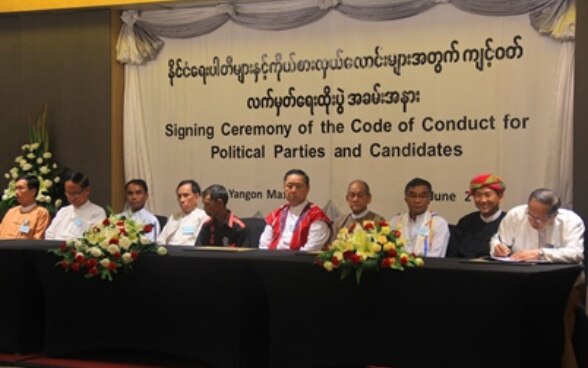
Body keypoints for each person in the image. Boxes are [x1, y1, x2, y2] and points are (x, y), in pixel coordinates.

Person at [490, 188, 584, 368]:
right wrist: (498, 247)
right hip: (522, 282)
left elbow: (576, 253)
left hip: (562, 285)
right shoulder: (516, 214)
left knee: (559, 332)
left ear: (554, 215)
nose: (533, 221)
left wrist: (540, 254)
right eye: (530, 214)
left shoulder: (571, 221)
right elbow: (499, 239)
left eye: (539, 218)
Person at [259, 169, 331, 251]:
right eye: (289, 186)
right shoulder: (276, 215)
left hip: (300, 261)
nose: (293, 190)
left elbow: (312, 248)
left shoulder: (316, 216)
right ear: (284, 189)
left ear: (307, 189)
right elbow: (263, 245)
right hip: (270, 259)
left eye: (299, 186)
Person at [447, 173, 507, 258]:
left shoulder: (509, 222)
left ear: (500, 196)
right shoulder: (466, 222)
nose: (483, 200)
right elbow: (452, 256)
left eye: (488, 195)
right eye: (478, 195)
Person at [389, 178, 449, 257]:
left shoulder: (439, 223)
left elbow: (437, 257)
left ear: (429, 199)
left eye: (422, 196)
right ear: (406, 199)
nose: (417, 200)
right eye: (413, 196)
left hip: (428, 268)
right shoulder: (395, 221)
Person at [45, 172, 106, 240]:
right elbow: (50, 233)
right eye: (68, 193)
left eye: (75, 193)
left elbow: (93, 235)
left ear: (87, 190)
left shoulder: (97, 212)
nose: (71, 197)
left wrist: (76, 219)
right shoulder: (63, 211)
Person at [157, 179, 208, 246]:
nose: (182, 200)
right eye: (179, 196)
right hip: (166, 253)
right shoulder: (174, 216)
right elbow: (160, 240)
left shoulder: (203, 217)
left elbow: (198, 244)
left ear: (197, 197)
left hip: (186, 254)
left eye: (186, 195)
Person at [0, 174, 50, 239]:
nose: (16, 192)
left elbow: (38, 240)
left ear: (33, 192)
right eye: (16, 189)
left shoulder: (41, 213)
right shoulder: (11, 212)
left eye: (20, 188)